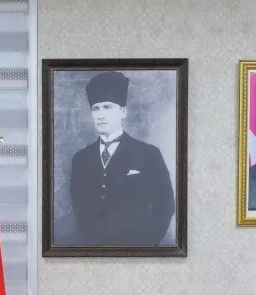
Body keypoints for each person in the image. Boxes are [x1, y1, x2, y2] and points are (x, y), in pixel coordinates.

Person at [66, 70, 175, 247]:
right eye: (95, 109)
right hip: (93, 252)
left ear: (123, 112)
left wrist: (145, 245)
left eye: (107, 107)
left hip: (137, 250)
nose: (100, 115)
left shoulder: (149, 155)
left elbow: (165, 206)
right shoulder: (80, 160)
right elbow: (80, 210)